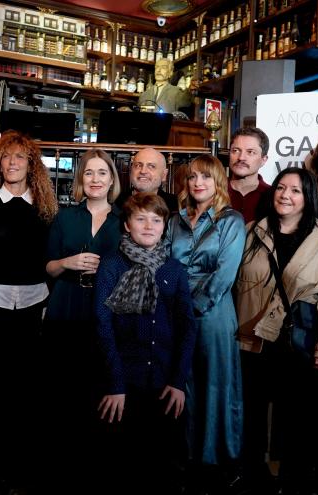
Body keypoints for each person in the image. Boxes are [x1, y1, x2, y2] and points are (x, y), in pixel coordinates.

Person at [233, 167, 318, 495]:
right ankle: (252, 480)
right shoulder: (250, 233)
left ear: (308, 198)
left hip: (295, 345)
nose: (286, 195)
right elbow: (229, 286)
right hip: (251, 341)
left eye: (296, 191)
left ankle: (292, 485)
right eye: (281, 188)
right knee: (251, 419)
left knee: (296, 424)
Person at [0, 130, 58, 493]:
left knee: (27, 393)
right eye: (7, 157)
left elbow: (49, 263)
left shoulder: (44, 208)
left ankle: (22, 468)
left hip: (34, 309)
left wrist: (48, 307)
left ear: (31, 164)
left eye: (21, 157)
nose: (13, 163)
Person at [94, 192, 197, 495]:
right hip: (124, 382)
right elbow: (103, 325)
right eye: (140, 219)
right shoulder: (112, 265)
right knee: (123, 466)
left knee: (162, 467)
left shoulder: (174, 270)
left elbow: (187, 328)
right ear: (126, 225)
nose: (149, 226)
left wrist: (178, 381)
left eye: (156, 219)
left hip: (165, 384)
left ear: (165, 225)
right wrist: (116, 384)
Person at [43, 149, 122, 490]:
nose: (95, 179)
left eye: (102, 173)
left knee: (100, 382)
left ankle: (96, 469)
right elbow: (47, 265)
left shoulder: (124, 219)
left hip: (107, 308)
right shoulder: (65, 218)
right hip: (66, 303)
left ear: (111, 180)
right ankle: (62, 469)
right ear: (80, 179)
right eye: (89, 173)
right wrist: (68, 262)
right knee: (64, 387)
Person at [167, 155, 246, 491]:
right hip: (175, 311)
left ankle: (216, 460)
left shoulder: (232, 221)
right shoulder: (174, 220)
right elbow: (166, 266)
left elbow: (224, 274)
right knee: (183, 384)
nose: (198, 183)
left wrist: (192, 306)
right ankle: (185, 457)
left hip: (213, 313)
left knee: (215, 383)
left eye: (206, 177)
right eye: (192, 177)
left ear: (218, 183)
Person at [114, 146, 179, 215]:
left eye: (151, 166)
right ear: (131, 171)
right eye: (138, 165)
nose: (143, 171)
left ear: (164, 175)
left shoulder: (176, 205)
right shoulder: (115, 201)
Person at [228, 126, 272, 223]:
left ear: (263, 159)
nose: (241, 157)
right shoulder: (213, 190)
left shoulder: (272, 196)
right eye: (236, 150)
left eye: (250, 152)